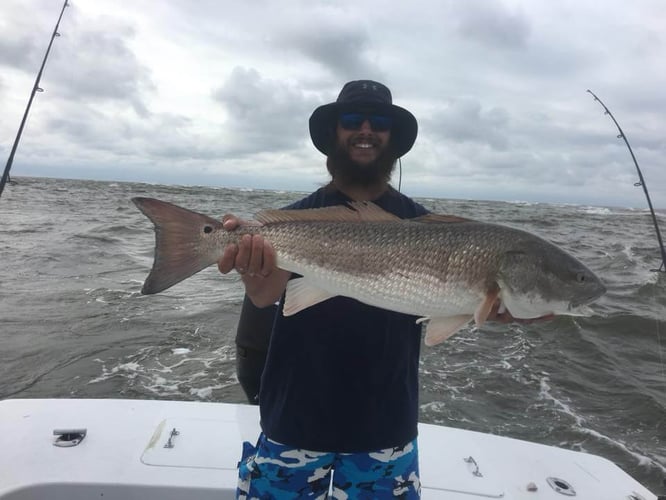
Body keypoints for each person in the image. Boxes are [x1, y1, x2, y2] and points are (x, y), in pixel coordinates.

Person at [218, 80, 535, 498]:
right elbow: (263, 297)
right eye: (352, 120)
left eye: (378, 122)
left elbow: (453, 314)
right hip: (292, 419)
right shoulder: (293, 223)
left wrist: (496, 306)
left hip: (385, 428)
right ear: (334, 134)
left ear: (392, 138)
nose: (365, 130)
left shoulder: (428, 229)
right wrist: (249, 266)